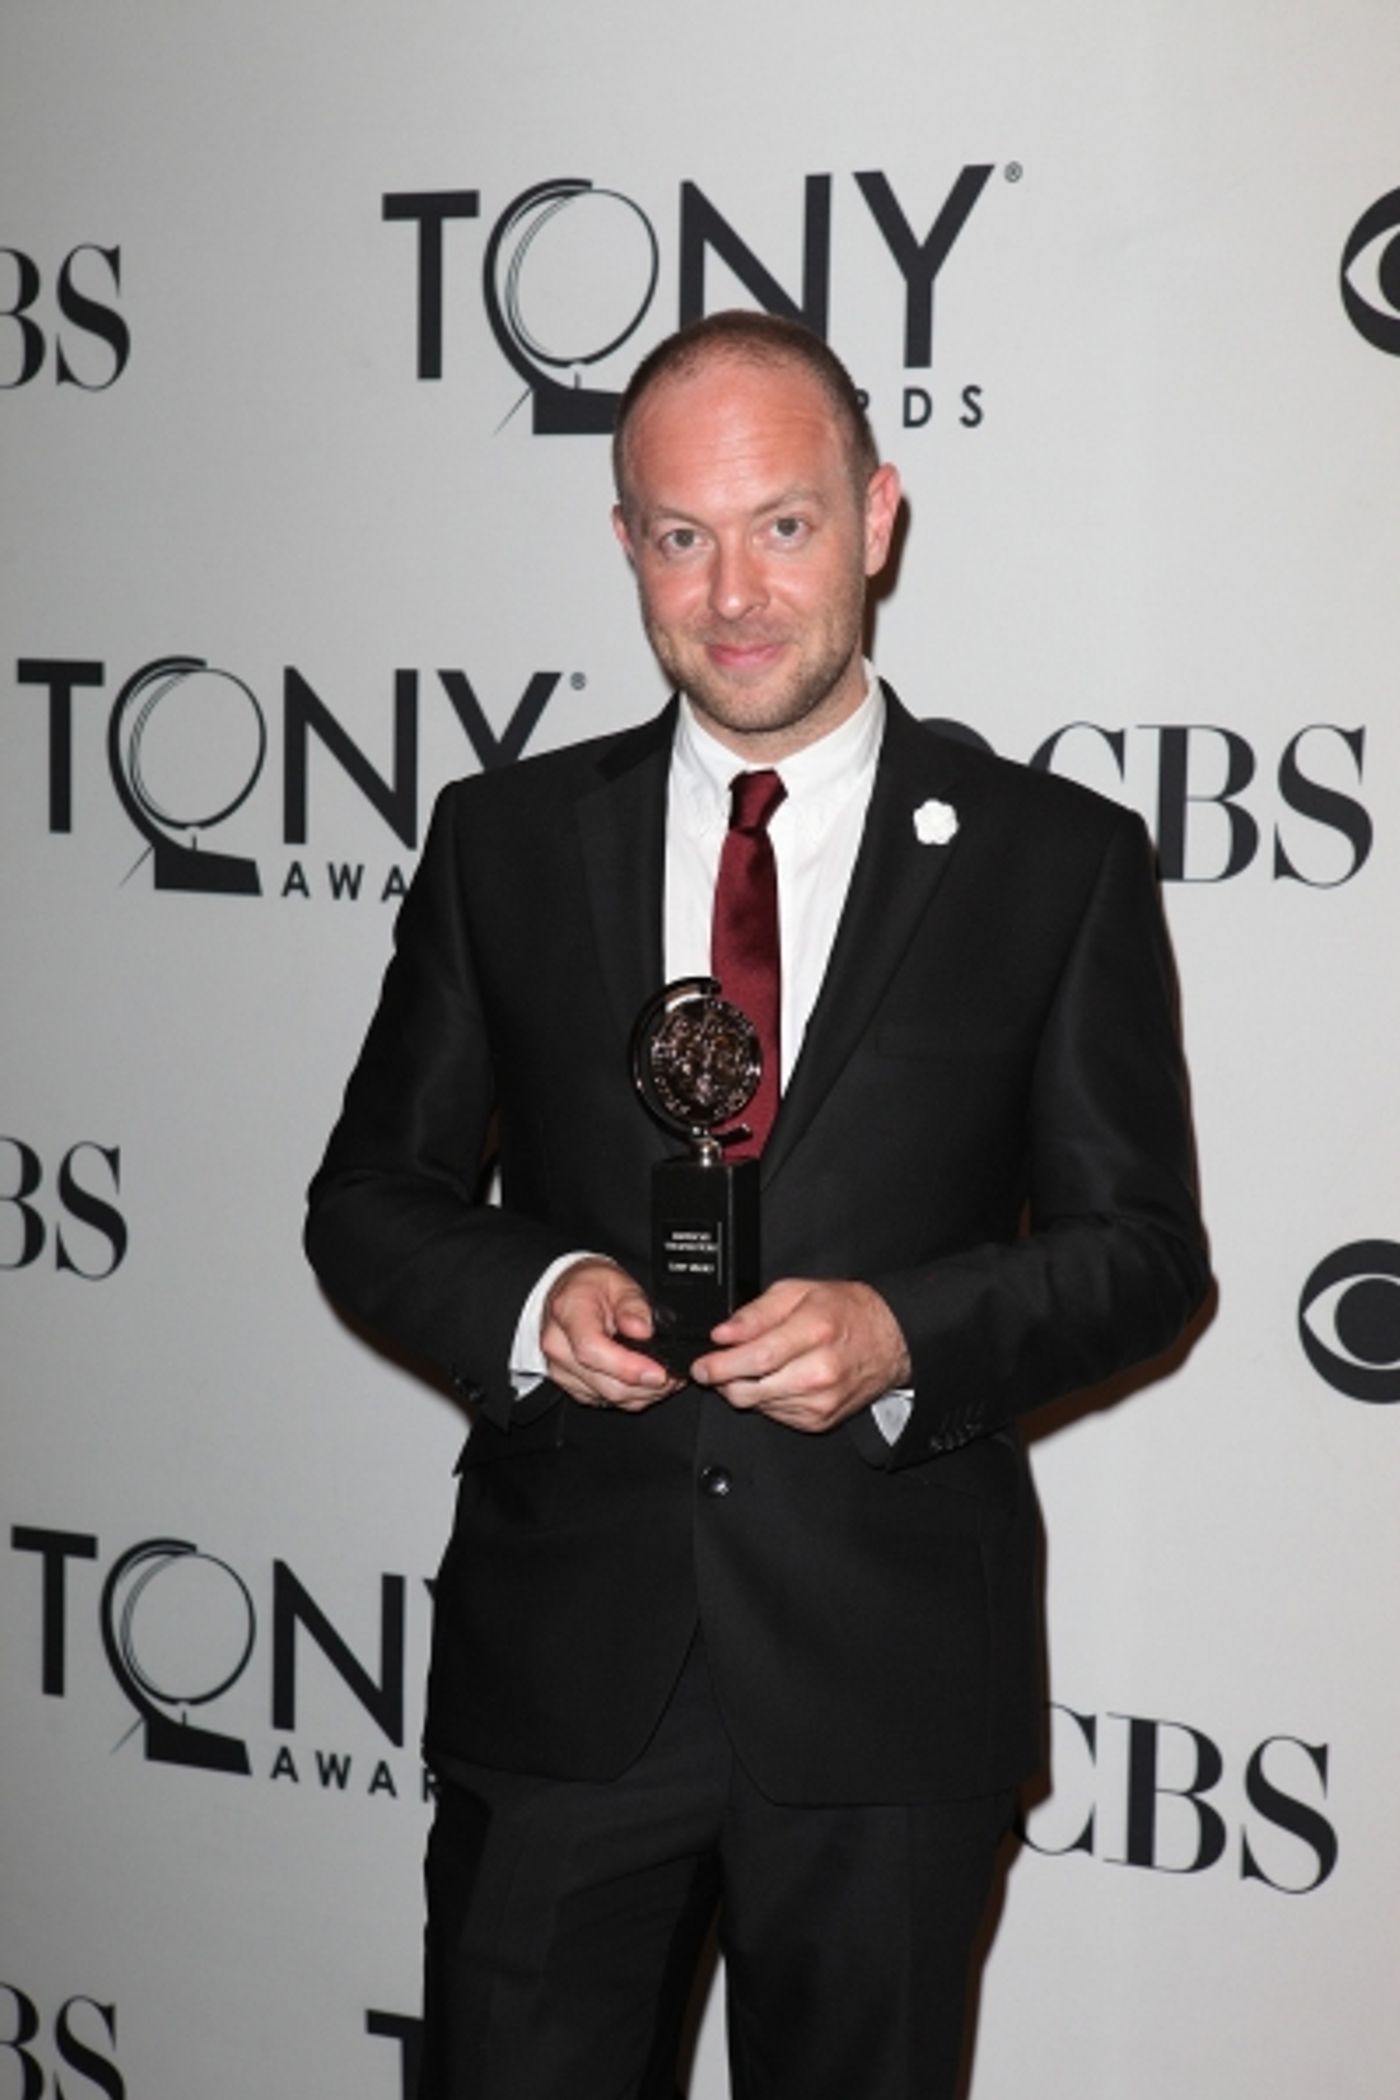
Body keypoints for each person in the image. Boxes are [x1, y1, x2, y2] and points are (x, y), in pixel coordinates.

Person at [305, 310, 1209, 2100]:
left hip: (888, 1679)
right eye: (681, 535)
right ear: (625, 541)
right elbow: (369, 1199)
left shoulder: (1053, 860)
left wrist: (903, 1333)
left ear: (877, 517)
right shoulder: (503, 840)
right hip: (565, 1676)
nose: (733, 595)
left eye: (783, 525)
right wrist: (533, 1294)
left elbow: (1141, 1254)